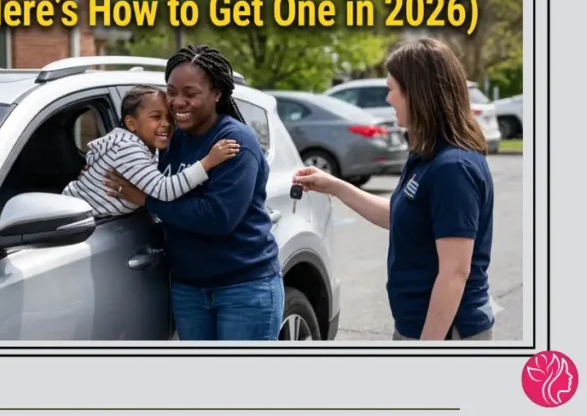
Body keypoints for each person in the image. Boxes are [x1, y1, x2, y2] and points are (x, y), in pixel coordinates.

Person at [293, 37, 495, 341]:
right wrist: (333, 186)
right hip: (419, 327)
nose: (388, 99)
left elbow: (456, 273)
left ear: (418, 94)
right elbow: (399, 216)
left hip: (447, 334)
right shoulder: (427, 155)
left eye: (392, 89)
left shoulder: (453, 167)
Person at [103, 45, 283, 341]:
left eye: (190, 93)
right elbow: (129, 152)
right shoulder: (171, 138)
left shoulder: (234, 142)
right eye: (172, 92)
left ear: (216, 94)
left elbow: (217, 218)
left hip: (243, 289)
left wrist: (147, 200)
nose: (178, 102)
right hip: (189, 289)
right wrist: (96, 165)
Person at [63, 85, 240, 217]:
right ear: (131, 123)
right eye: (156, 117)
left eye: (170, 118)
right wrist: (208, 162)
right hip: (75, 222)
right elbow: (164, 190)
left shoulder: (142, 145)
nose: (166, 124)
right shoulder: (127, 148)